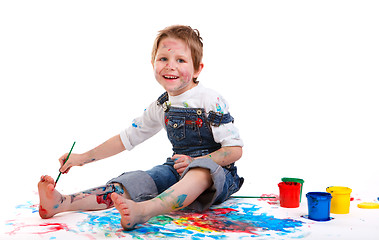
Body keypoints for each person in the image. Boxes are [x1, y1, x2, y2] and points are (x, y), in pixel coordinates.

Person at [38, 25, 244, 230]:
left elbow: (235, 150)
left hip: (218, 175)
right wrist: (81, 158)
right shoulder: (162, 105)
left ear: (198, 68)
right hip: (178, 168)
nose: (170, 66)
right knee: (136, 180)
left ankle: (143, 210)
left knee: (200, 171)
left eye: (180, 60)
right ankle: (61, 202)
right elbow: (125, 139)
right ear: (153, 63)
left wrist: (196, 161)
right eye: (163, 59)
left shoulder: (210, 99)